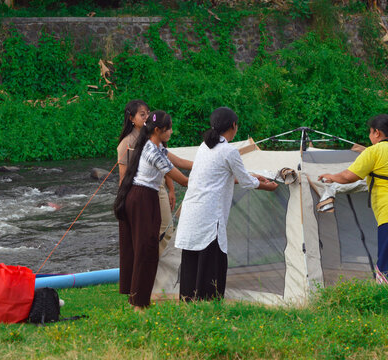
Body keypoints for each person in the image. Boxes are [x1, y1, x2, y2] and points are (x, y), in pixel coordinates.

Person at [174, 107, 278, 301]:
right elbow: (246, 182)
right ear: (233, 126)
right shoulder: (229, 151)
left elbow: (225, 177)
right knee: (211, 262)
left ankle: (189, 303)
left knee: (192, 262)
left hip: (192, 212)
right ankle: (209, 304)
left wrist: (254, 176)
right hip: (208, 215)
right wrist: (267, 186)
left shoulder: (204, 147)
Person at [318, 114, 388, 287]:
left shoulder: (374, 151)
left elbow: (349, 177)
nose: (369, 137)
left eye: (370, 133)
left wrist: (331, 176)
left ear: (377, 133)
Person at [114, 110, 189, 311]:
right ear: (158, 130)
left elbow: (182, 163)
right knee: (145, 250)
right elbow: (183, 179)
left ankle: (136, 300)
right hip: (142, 199)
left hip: (146, 197)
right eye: (169, 129)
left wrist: (208, 164)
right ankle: (138, 304)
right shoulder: (153, 152)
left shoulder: (154, 146)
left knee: (144, 248)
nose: (172, 132)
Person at [117, 100, 193, 255]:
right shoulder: (130, 144)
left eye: (148, 113)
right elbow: (123, 177)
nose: (146, 117)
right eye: (142, 114)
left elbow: (171, 165)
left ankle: (154, 263)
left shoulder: (155, 142)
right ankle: (151, 263)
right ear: (131, 118)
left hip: (158, 187)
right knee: (150, 233)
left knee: (164, 229)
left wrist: (171, 189)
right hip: (141, 191)